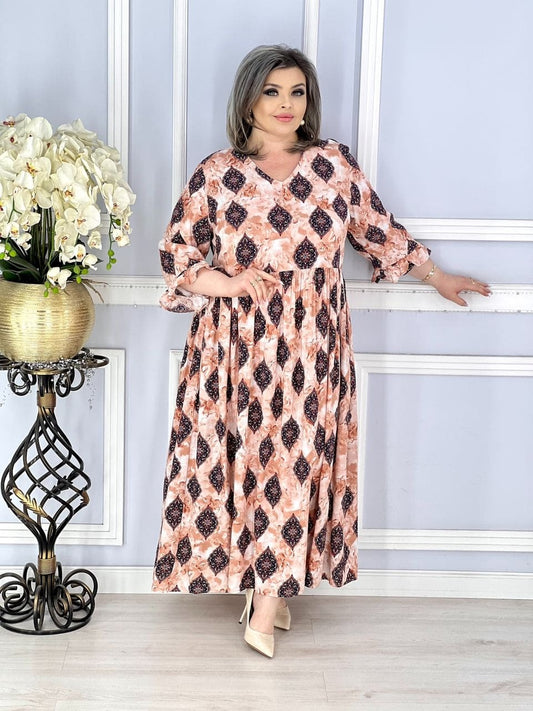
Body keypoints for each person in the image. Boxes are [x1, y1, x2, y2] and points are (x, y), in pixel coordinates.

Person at [152, 44, 491, 658]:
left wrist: (436, 275)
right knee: (246, 467)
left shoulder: (333, 165)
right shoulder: (215, 173)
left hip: (312, 346)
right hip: (232, 349)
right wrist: (228, 283)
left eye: (297, 92)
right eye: (272, 91)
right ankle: (268, 591)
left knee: (293, 464)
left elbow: (378, 232)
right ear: (247, 100)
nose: (286, 105)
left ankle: (267, 601)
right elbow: (177, 257)